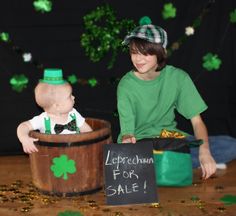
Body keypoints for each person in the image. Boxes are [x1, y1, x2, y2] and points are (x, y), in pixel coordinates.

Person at [117, 17, 218, 179]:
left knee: (228, 144)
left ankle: (176, 163)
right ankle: (174, 164)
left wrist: (204, 152)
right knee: (141, 157)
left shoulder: (178, 78)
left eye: (146, 52)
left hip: (172, 139)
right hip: (142, 143)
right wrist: (128, 139)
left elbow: (197, 121)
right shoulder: (126, 84)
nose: (138, 59)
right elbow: (127, 132)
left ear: (161, 52)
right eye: (134, 52)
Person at [17, 68, 92, 154]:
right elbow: (23, 126)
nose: (73, 97)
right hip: (51, 157)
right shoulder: (43, 119)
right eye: (69, 96)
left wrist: (88, 144)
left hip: (76, 154)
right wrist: (24, 139)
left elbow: (88, 132)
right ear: (57, 106)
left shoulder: (74, 114)